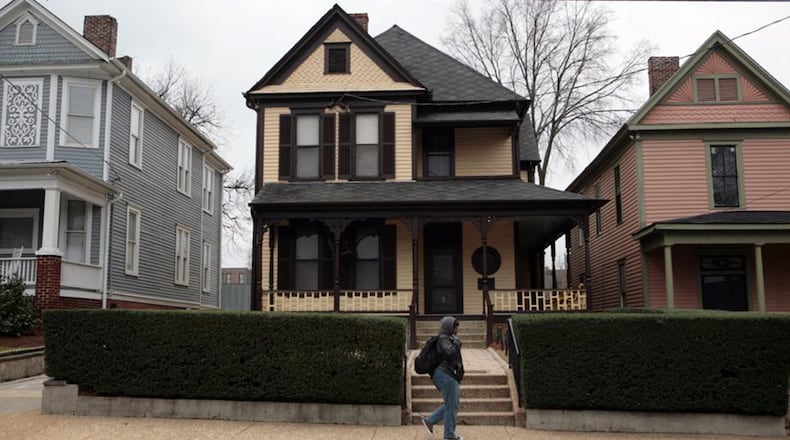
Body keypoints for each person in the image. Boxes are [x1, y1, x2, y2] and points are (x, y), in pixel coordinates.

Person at [421, 316, 464, 440]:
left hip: (446, 374)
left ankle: (430, 421)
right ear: (449, 327)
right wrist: (456, 343)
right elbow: (450, 354)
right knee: (452, 405)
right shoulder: (444, 339)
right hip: (446, 375)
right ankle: (449, 436)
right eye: (455, 326)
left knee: (452, 404)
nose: (457, 329)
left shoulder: (447, 338)